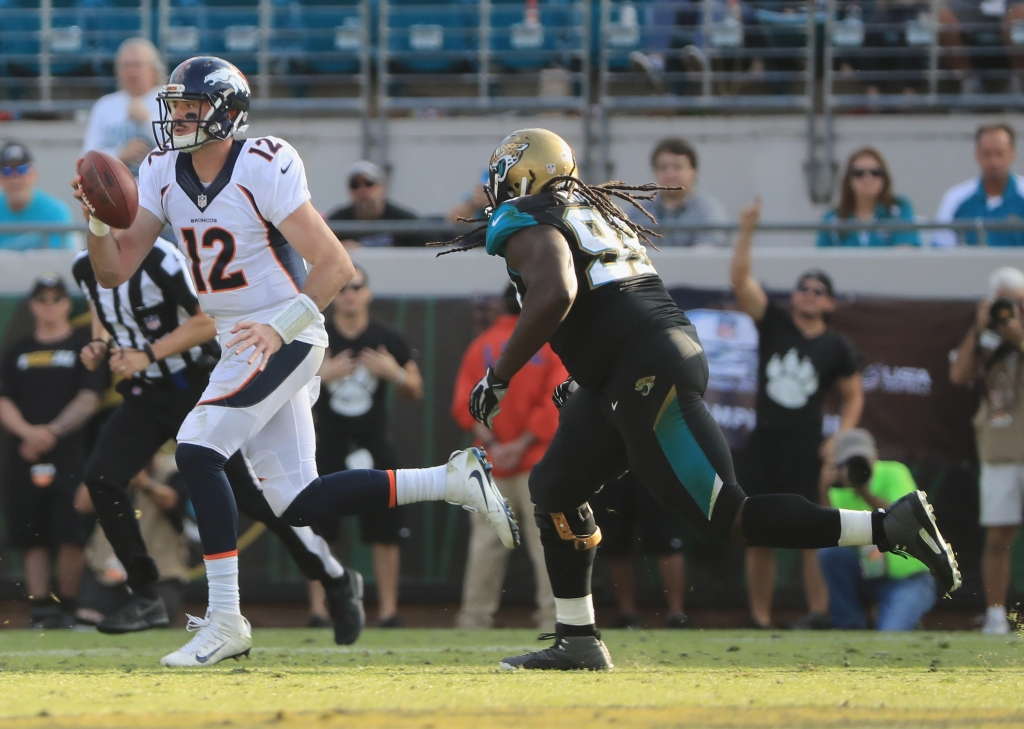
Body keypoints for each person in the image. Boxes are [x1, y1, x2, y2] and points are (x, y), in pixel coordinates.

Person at [433, 127, 959, 670]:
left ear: (522, 173)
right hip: (637, 361)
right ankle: (578, 639)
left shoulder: (525, 218)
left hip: (642, 369)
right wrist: (588, 373)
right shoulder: (594, 214)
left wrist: (500, 375)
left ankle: (889, 526)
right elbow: (605, 299)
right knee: (556, 488)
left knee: (726, 517)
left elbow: (557, 293)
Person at [73, 55, 517, 668]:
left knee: (199, 449)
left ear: (227, 112)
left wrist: (279, 326)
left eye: (190, 106)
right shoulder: (159, 170)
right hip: (240, 338)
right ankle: (452, 480)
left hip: (288, 328)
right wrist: (97, 217)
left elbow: (336, 265)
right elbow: (114, 268)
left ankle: (226, 619)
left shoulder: (262, 164)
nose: (177, 117)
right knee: (297, 502)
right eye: (173, 105)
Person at [72, 238, 365, 644]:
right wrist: (100, 343)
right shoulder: (84, 266)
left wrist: (148, 353)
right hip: (146, 392)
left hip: (196, 383)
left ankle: (333, 577)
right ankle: (146, 593)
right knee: (101, 477)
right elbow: (103, 313)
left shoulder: (160, 258)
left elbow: (206, 320)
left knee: (253, 498)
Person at [732, 198, 865, 630]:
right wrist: (747, 230)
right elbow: (740, 281)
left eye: (816, 290)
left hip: (806, 447)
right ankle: (760, 617)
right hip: (766, 441)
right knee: (759, 534)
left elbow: (854, 397)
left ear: (830, 304)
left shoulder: (838, 346)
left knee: (813, 534)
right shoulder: (774, 322)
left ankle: (819, 614)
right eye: (802, 287)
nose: (806, 294)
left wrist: (838, 438)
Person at [312, 264, 423, 628]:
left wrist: (396, 374)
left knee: (386, 530)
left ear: (368, 293)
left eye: (356, 286)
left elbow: (415, 389)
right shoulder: (317, 335)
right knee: (316, 527)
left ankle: (388, 611)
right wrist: (319, 377)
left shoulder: (386, 336)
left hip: (374, 442)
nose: (348, 294)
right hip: (327, 442)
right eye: (342, 287)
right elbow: (285, 390)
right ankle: (319, 611)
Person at [451, 284, 560, 631]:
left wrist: (496, 444)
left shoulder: (481, 345)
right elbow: (557, 403)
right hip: (538, 464)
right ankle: (554, 619)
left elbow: (464, 405)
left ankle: (474, 618)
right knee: (547, 547)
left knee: (485, 546)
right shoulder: (550, 344)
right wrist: (522, 444)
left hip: (490, 463)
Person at [0, 274, 103, 628]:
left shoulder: (82, 347)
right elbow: (4, 399)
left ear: (65, 304)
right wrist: (29, 433)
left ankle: (69, 607)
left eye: (56, 299)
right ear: (31, 305)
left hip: (71, 453)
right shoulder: (18, 350)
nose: (49, 306)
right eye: (41, 299)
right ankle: (41, 608)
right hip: (23, 453)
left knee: (70, 531)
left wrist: (52, 432)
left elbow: (90, 397)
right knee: (31, 534)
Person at [949, 266, 1024, 634]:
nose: (1012, 310)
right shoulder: (987, 336)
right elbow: (959, 376)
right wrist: (979, 329)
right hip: (998, 448)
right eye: (1006, 303)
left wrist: (1019, 335)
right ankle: (996, 615)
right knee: (998, 536)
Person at [818, 429, 937, 631]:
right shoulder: (838, 487)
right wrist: (823, 489)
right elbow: (830, 534)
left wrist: (863, 491)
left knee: (890, 634)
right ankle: (849, 624)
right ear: (839, 465)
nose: (859, 468)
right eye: (851, 462)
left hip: (907, 579)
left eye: (862, 460)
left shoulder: (895, 472)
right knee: (830, 553)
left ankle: (903, 617)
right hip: (869, 574)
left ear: (875, 456)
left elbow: (900, 519)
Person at [75, 458, 190, 627]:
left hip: (160, 575)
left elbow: (172, 501)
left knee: (157, 623)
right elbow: (82, 505)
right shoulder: (108, 466)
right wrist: (103, 468)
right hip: (108, 573)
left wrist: (144, 483)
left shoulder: (173, 471)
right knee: (87, 620)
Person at [591, 472, 690, 629]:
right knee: (617, 545)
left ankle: (677, 615)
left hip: (653, 467)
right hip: (613, 472)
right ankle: (627, 615)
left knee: (668, 542)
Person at [81, 38, 164, 177]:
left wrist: (148, 119)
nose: (132, 72)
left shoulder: (170, 100)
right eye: (126, 65)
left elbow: (181, 149)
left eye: (138, 65)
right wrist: (120, 155)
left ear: (154, 70)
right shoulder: (105, 106)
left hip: (160, 190)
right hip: (116, 191)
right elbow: (87, 158)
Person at [624, 138, 728, 248]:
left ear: (693, 172)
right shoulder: (638, 212)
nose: (670, 174)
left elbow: (706, 254)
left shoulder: (708, 212)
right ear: (655, 172)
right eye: (663, 168)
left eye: (677, 167)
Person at [933, 124, 1024, 248]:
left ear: (1013, 154)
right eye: (987, 154)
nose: (993, 161)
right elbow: (941, 250)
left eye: (1000, 153)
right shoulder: (954, 198)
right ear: (977, 154)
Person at [817, 148, 919, 248]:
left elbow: (906, 249)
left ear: (884, 178)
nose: (867, 178)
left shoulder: (899, 209)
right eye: (859, 173)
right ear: (849, 180)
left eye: (875, 172)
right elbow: (822, 260)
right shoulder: (832, 219)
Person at [326, 161, 427, 249]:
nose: (362, 190)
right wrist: (338, 248)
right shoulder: (337, 221)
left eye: (369, 183)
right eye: (355, 185)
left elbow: (433, 244)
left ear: (381, 187)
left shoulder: (403, 220)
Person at [0, 142, 74, 251]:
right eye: (7, 171)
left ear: (34, 173)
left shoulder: (56, 211)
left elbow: (60, 260)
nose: (15, 178)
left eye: (22, 169)